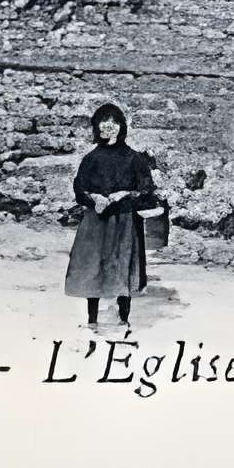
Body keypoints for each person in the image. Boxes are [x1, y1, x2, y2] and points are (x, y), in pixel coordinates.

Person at [65, 102, 159, 334]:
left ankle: (124, 318)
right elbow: (80, 189)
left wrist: (124, 194)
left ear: (121, 126)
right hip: (96, 222)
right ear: (97, 127)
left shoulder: (133, 158)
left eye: (114, 122)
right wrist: (94, 198)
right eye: (103, 122)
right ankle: (92, 319)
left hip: (125, 220)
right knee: (93, 265)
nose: (109, 126)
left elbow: (147, 189)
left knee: (122, 266)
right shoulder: (91, 158)